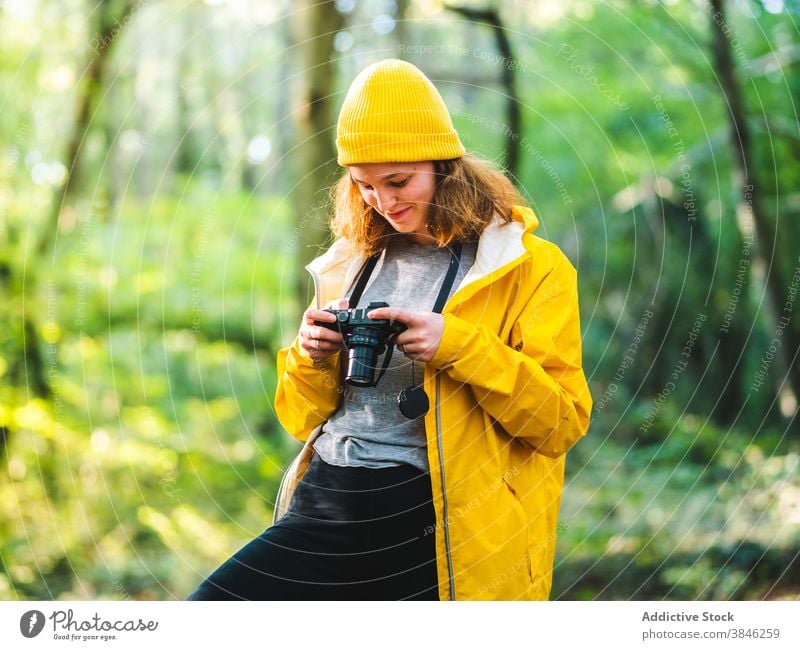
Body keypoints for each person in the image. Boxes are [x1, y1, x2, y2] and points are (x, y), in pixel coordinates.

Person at [187, 58, 592, 601]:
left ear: (444, 164)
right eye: (365, 186)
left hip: (436, 521)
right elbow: (299, 416)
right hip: (328, 497)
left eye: (399, 181)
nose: (384, 201)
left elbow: (560, 421)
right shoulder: (350, 262)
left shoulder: (530, 268)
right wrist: (312, 356)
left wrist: (456, 345)